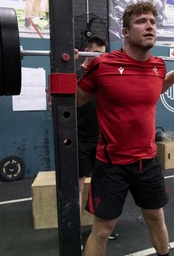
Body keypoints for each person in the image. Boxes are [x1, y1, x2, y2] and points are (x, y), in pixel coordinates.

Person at [77, 1, 174, 256]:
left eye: (152, 22)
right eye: (141, 21)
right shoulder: (103, 65)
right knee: (103, 230)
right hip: (111, 163)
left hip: (147, 162)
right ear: (126, 31)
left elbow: (153, 91)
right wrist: (68, 71)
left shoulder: (158, 66)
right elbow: (75, 100)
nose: (149, 26)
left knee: (156, 218)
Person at [75, 37, 119, 248]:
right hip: (79, 139)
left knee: (104, 185)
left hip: (102, 138)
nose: (100, 57)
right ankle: (72, 232)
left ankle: (101, 228)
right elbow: (53, 101)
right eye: (96, 53)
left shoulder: (103, 74)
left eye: (103, 53)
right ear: (86, 52)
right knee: (79, 186)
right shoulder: (75, 73)